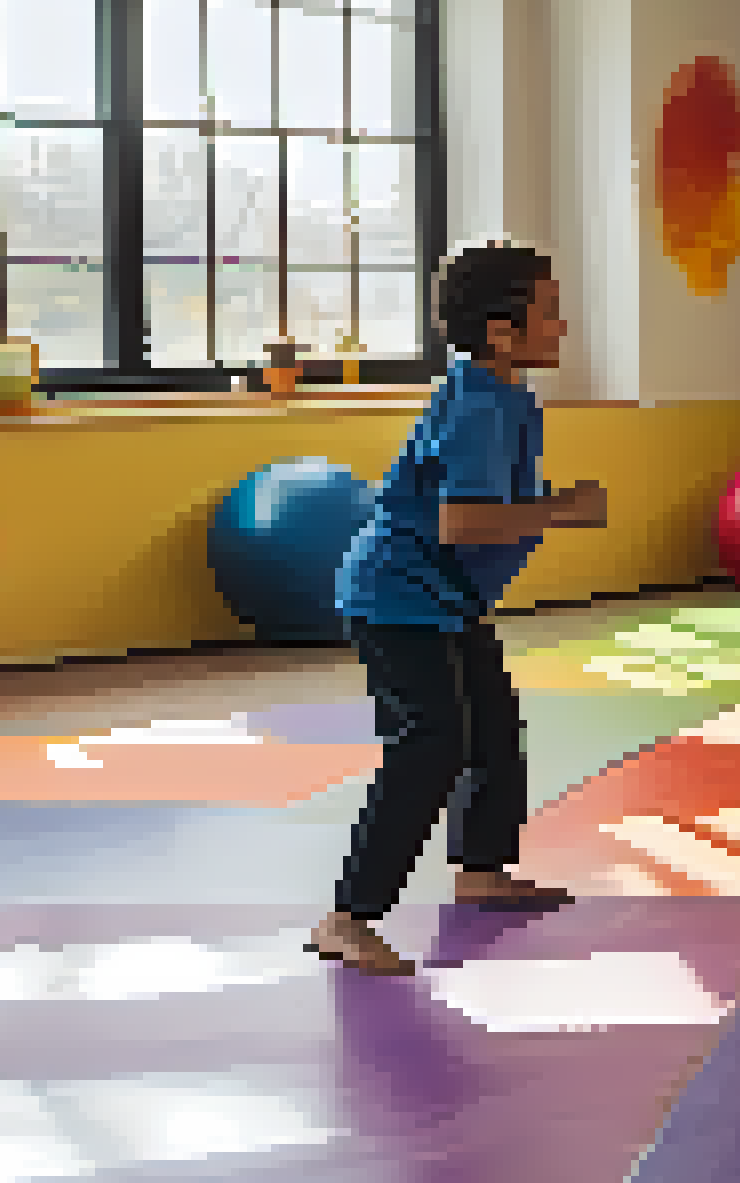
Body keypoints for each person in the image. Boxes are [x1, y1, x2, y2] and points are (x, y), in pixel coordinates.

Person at [308, 241, 607, 975]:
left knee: (495, 733)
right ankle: (348, 917)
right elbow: (462, 523)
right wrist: (562, 510)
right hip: (397, 599)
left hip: (447, 600)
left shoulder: (502, 394)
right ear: (503, 332)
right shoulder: (479, 405)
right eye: (550, 311)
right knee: (431, 743)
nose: (563, 326)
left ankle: (481, 870)